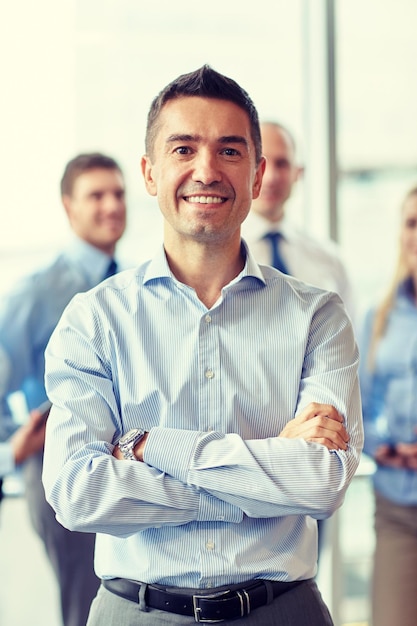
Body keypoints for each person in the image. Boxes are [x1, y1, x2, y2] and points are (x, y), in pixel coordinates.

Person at [42, 65, 363, 626]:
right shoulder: (94, 320)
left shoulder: (318, 315)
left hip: (281, 611)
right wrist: (261, 471)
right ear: (149, 172)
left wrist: (151, 447)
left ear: (258, 174)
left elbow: (320, 483)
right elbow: (77, 491)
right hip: (135, 610)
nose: (206, 170)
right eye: (184, 148)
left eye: (230, 151)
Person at [0, 152, 127, 626]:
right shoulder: (36, 292)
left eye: (118, 194)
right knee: (85, 605)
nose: (111, 205)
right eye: (96, 195)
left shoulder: (137, 283)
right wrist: (15, 440)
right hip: (62, 466)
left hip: (129, 465)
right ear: (68, 207)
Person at [359, 185, 417, 626]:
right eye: (412, 223)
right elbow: (357, 407)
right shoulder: (376, 318)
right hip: (396, 504)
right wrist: (386, 447)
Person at [242, 121, 354, 316]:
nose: (270, 177)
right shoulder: (219, 257)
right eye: (260, 163)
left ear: (298, 173)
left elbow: (350, 338)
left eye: (282, 164)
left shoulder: (329, 259)